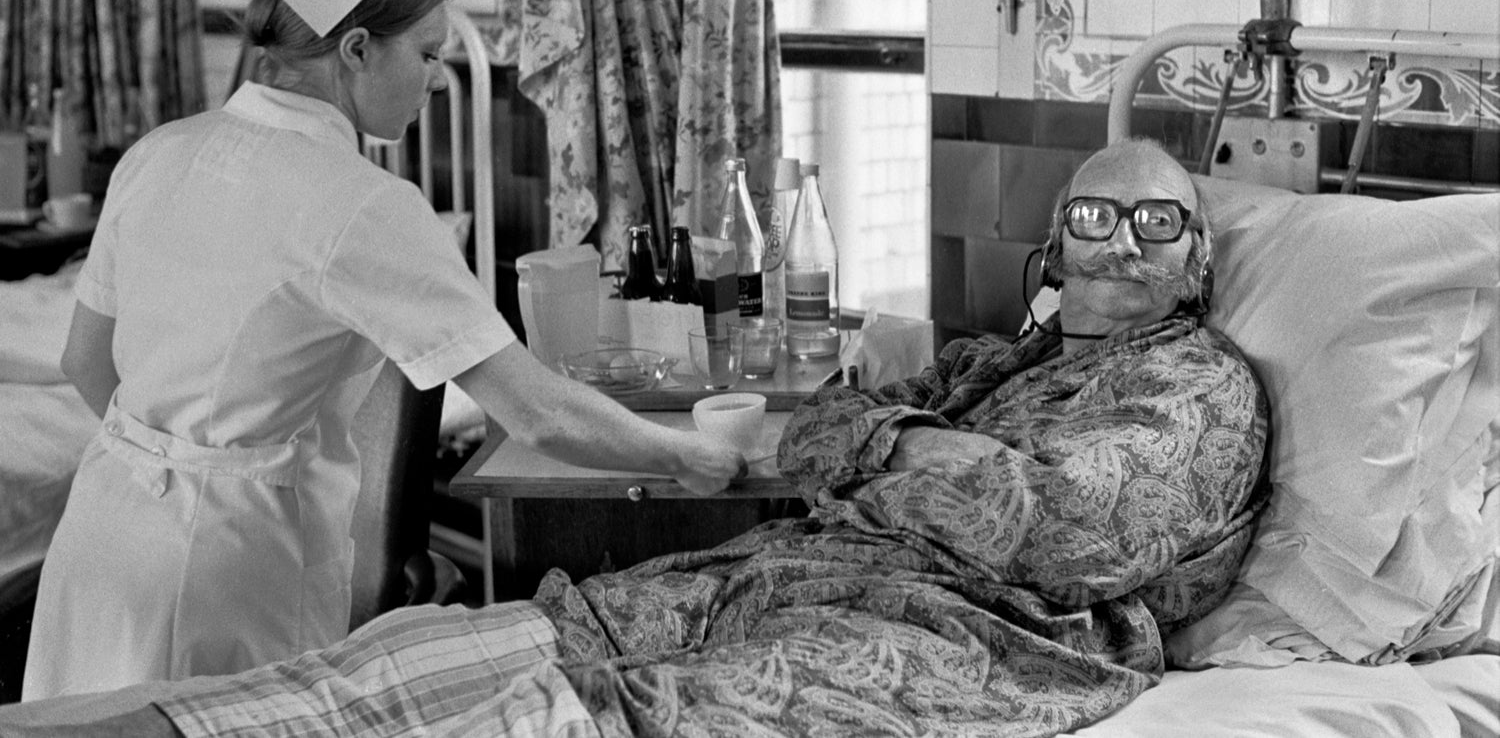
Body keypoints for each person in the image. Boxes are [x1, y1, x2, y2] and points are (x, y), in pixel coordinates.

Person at [8, 138, 1270, 738]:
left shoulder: (1197, 392)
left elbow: (1051, 524)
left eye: (1157, 223)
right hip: (791, 578)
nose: (1119, 244)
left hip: (973, 638)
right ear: (1052, 249)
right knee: (426, 655)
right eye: (1095, 216)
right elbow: (829, 418)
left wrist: (885, 443)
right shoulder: (1007, 360)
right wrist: (895, 438)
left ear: (1199, 259)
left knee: (581, 717)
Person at [21, 0, 743, 701]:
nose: (441, 77)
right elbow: (534, 413)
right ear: (357, 50)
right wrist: (688, 456)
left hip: (99, 534)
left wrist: (168, 457)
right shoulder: (362, 204)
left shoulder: (159, 152)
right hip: (226, 565)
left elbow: (85, 363)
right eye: (429, 52)